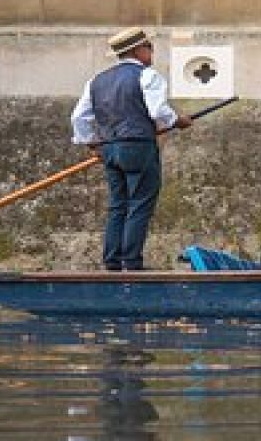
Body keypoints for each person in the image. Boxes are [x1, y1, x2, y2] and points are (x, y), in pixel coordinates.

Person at [70, 27, 191, 271]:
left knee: (118, 205)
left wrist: (92, 143)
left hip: (110, 150)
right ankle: (132, 262)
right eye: (150, 48)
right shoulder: (148, 76)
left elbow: (78, 118)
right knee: (140, 203)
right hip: (138, 147)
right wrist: (178, 121)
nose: (152, 54)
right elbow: (158, 111)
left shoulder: (96, 81)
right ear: (138, 50)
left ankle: (112, 261)